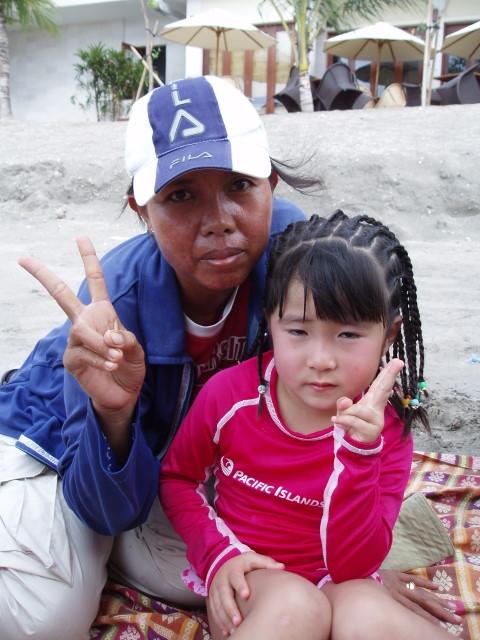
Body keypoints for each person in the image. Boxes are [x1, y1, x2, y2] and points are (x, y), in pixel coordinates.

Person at [0, 76, 459, 638]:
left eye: (239, 184)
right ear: (142, 209)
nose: (219, 218)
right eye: (180, 195)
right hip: (58, 440)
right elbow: (107, 506)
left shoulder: (295, 254)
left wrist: (359, 574)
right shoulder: (116, 302)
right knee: (41, 622)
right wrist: (113, 415)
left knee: (288, 580)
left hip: (180, 454)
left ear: (270, 184)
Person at [159, 211, 452, 640]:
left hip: (343, 580)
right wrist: (218, 556)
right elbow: (178, 479)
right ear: (270, 322)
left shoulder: (387, 431)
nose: (321, 360)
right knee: (297, 607)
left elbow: (353, 565)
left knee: (365, 616)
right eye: (298, 331)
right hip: (257, 576)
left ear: (389, 335)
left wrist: (359, 454)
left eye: (348, 335)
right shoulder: (230, 397)